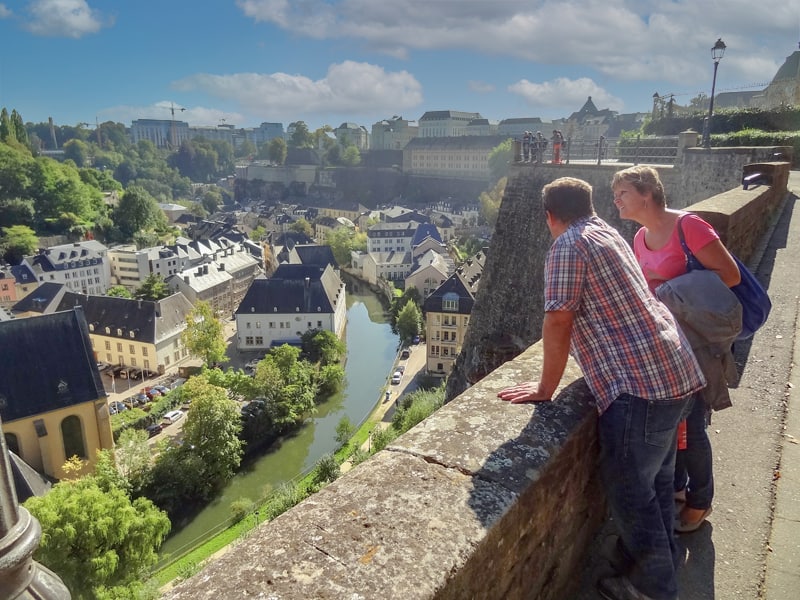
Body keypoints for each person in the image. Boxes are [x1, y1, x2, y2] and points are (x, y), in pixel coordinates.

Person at [498, 177, 705, 600]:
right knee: (657, 488)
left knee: (631, 492)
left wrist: (544, 387)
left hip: (639, 384)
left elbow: (558, 319)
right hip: (673, 368)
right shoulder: (608, 231)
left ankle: (653, 590)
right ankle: (641, 570)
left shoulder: (567, 245)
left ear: (549, 216)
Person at [612, 165, 741, 534]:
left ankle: (701, 500)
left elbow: (729, 276)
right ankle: (681, 489)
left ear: (647, 192)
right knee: (677, 423)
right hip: (668, 340)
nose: (616, 199)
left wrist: (667, 287)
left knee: (694, 423)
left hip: (697, 337)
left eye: (622, 192)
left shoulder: (690, 226)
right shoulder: (639, 237)